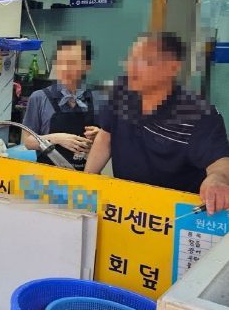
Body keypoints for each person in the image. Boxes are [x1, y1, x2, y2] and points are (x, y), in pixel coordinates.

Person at [85, 33, 229, 214]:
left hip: (173, 214)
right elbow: (106, 136)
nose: (131, 67)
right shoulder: (122, 92)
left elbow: (219, 163)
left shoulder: (198, 113)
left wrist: (218, 179)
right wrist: (86, 181)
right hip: (125, 205)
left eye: (145, 61)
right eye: (131, 59)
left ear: (173, 67)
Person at [22, 39, 100, 171]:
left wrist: (99, 135)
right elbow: (28, 142)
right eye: (61, 62)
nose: (65, 68)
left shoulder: (98, 98)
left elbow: (110, 141)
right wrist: (57, 139)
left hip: (87, 175)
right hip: (48, 175)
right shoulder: (39, 98)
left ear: (87, 66)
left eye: (72, 62)